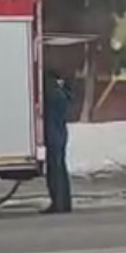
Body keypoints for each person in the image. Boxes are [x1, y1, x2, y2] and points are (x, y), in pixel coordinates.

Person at [41, 69, 73, 214]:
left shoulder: (51, 94)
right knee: (61, 167)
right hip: (61, 133)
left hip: (53, 133)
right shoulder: (62, 93)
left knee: (54, 169)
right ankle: (65, 203)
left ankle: (58, 203)